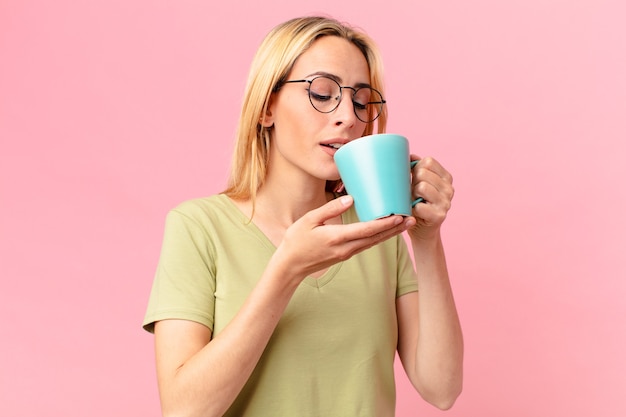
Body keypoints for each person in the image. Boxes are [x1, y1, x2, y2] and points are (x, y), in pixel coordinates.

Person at [143, 15, 463, 417]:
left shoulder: (377, 232)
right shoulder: (198, 227)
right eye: (322, 93)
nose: (348, 116)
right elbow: (183, 411)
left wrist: (427, 238)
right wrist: (286, 271)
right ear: (265, 108)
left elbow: (442, 388)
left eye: (361, 101)